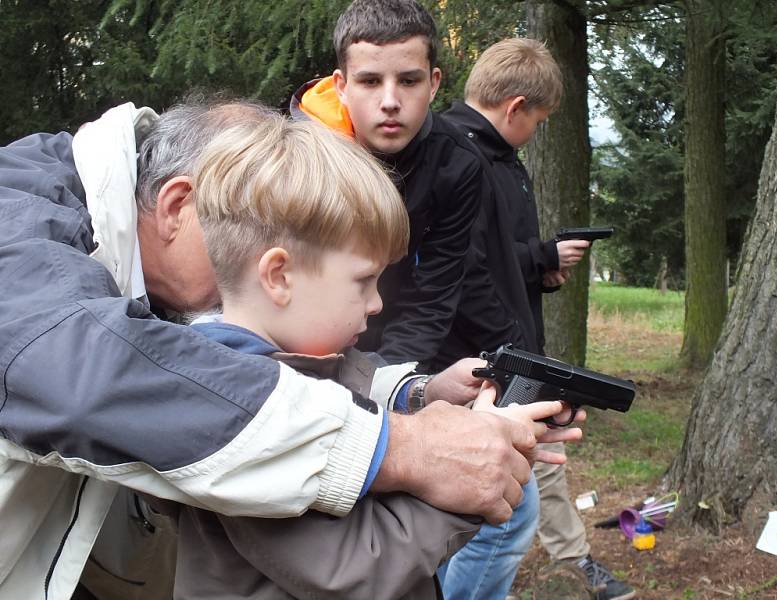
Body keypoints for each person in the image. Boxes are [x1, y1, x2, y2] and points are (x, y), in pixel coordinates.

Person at [0, 98, 541, 599]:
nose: (250, 266)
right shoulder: (19, 228)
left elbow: (212, 371)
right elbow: (94, 376)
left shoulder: (120, 249)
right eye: (236, 222)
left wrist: (411, 395)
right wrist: (417, 454)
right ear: (177, 205)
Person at [155, 114, 582, 600]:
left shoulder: (297, 365)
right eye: (363, 281)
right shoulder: (241, 416)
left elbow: (351, 394)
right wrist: (471, 478)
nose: (377, 303)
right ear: (279, 277)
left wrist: (434, 398)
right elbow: (361, 569)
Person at [434, 39, 636, 600]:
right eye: (540, 122)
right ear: (516, 106)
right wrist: (515, 353)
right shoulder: (460, 156)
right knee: (504, 521)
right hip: (479, 362)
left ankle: (572, 557)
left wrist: (540, 264)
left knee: (521, 493)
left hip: (500, 349)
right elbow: (465, 272)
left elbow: (496, 256)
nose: (537, 132)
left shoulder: (499, 158)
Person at [290, 0, 486, 371]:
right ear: (341, 86)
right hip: (295, 351)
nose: (391, 102)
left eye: (409, 81)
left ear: (433, 84)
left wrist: (386, 383)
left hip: (398, 350)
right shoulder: (293, 156)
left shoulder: (458, 164)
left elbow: (431, 297)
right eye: (370, 81)